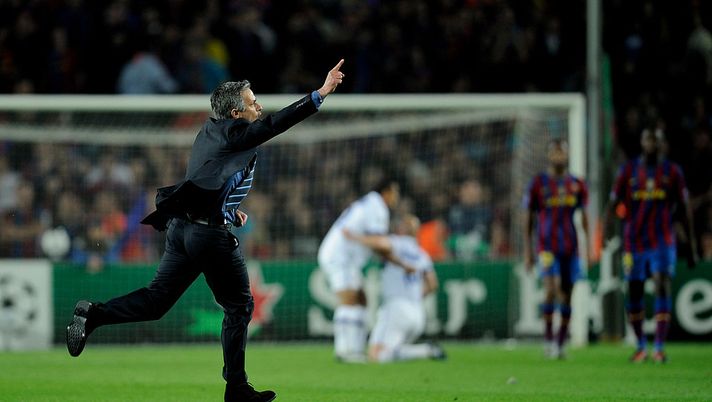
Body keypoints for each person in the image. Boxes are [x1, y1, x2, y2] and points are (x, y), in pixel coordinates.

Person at [65, 59, 347, 402]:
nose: (259, 107)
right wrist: (320, 93)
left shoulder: (210, 131)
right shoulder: (236, 133)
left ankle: (92, 314)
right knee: (240, 306)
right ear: (235, 114)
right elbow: (273, 125)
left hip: (183, 230)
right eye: (252, 102)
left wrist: (227, 210)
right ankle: (237, 388)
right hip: (208, 237)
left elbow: (208, 176)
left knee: (156, 302)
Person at [606, 126, 698, 364]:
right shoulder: (628, 170)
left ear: (662, 143)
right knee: (634, 290)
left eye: (655, 140)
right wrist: (607, 230)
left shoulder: (672, 171)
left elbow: (684, 209)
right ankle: (640, 346)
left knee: (661, 284)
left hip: (662, 240)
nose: (651, 144)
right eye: (647, 139)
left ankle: (659, 347)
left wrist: (691, 246)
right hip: (634, 242)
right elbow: (613, 202)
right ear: (641, 142)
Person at [317, 178, 402, 362]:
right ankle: (344, 350)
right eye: (395, 192)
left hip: (347, 259)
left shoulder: (369, 203)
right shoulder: (377, 206)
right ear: (386, 192)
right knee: (349, 300)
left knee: (362, 299)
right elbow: (378, 242)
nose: (397, 197)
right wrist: (397, 257)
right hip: (340, 256)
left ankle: (355, 348)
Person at [344, 214, 444, 363]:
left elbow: (380, 244)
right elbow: (432, 284)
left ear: (402, 229)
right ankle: (425, 350)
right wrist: (414, 296)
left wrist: (355, 237)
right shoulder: (422, 254)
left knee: (377, 355)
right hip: (417, 312)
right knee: (391, 351)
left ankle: (425, 350)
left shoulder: (396, 243)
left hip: (396, 308)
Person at [523, 139, 589, 359]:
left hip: (570, 247)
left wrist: (589, 246)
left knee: (567, 295)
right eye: (555, 152)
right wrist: (527, 251)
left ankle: (560, 343)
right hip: (546, 246)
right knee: (551, 289)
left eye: (562, 152)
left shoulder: (577, 184)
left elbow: (584, 217)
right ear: (549, 155)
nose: (559, 156)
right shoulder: (538, 183)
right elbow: (529, 217)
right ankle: (548, 340)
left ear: (568, 155)